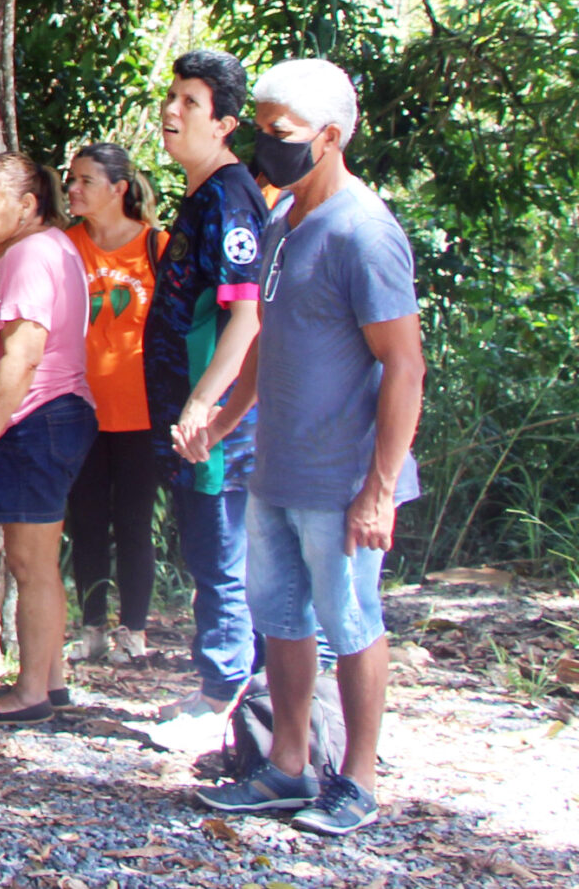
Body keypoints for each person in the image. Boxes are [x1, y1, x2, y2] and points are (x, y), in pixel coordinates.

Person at [189, 60, 424, 836]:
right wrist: (224, 420)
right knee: (281, 615)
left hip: (341, 476)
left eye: (280, 131)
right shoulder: (285, 221)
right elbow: (268, 336)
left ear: (329, 137)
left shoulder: (364, 231)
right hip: (276, 468)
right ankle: (287, 764)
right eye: (258, 125)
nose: (264, 142)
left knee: (350, 619)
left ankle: (356, 778)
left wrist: (380, 486)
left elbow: (404, 363)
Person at [141, 49, 272, 744]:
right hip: (189, 419)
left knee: (219, 554)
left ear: (223, 122)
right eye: (172, 96)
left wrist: (203, 408)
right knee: (205, 549)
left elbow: (246, 316)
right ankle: (232, 692)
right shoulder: (202, 195)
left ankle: (227, 701)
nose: (172, 110)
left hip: (217, 426)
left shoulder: (230, 197)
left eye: (190, 101)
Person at [0, 152, 96, 723]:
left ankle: (32, 693)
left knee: (31, 566)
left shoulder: (33, 255)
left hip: (33, 423)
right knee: (35, 562)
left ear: (28, 206)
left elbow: (24, 354)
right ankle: (48, 679)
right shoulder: (39, 249)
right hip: (43, 423)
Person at [60, 142, 162, 666]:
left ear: (119, 189)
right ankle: (93, 627)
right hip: (82, 409)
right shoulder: (64, 245)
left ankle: (135, 630)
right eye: (70, 180)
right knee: (87, 519)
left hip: (141, 412)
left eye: (85, 181)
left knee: (133, 521)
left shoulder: (157, 247)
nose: (72, 189)